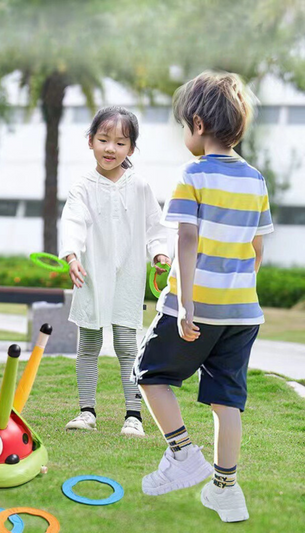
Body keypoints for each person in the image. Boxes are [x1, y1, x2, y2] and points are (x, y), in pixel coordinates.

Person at [133, 71, 273, 522]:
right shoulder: (255, 179)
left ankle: (182, 454)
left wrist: (188, 304)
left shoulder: (192, 173)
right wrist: (237, 286)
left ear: (197, 123)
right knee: (226, 399)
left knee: (150, 374)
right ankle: (226, 491)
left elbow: (187, 239)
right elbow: (257, 248)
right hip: (243, 312)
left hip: (194, 307)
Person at [59, 106, 170, 437]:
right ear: (90, 141)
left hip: (129, 276)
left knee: (126, 345)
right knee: (89, 344)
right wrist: (72, 256)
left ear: (131, 149)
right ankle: (86, 411)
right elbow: (73, 221)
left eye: (120, 143)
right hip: (91, 274)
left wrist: (160, 252)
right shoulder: (82, 185)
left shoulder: (140, 186)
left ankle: (133, 416)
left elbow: (155, 225)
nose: (110, 148)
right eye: (103, 139)